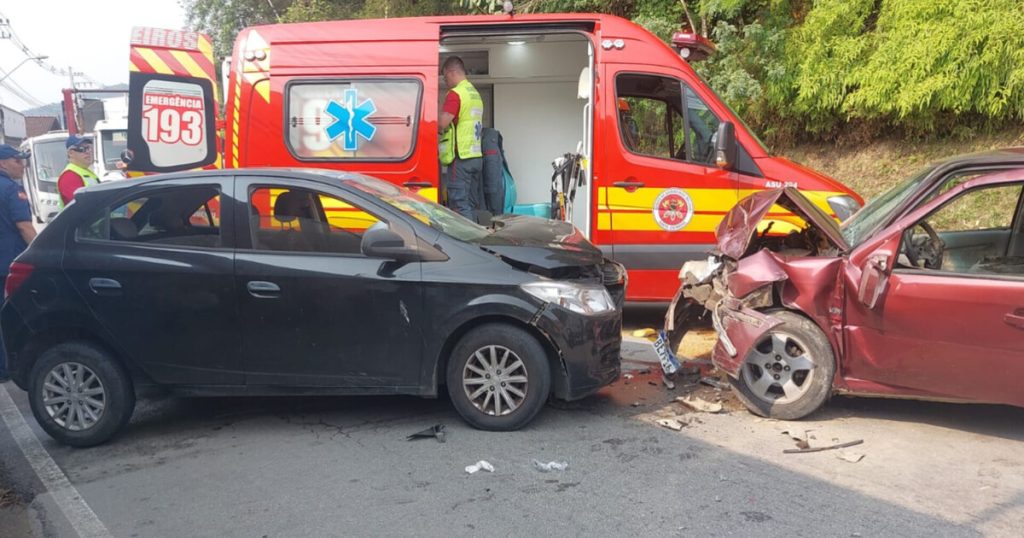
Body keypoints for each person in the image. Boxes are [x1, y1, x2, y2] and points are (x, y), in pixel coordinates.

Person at [0, 144, 38, 382]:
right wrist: (41, 253)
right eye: (17, 161)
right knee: (12, 315)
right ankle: (6, 368)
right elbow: (24, 226)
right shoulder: (12, 190)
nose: (22, 166)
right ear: (2, 163)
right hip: (9, 261)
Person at [438, 56, 484, 220]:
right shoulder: (474, 93)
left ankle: (466, 245)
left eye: (445, 77)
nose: (445, 81)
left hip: (461, 158)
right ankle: (477, 239)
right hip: (476, 157)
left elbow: (443, 123)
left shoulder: (455, 94)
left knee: (459, 206)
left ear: (452, 72)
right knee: (471, 204)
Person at [57, 134, 99, 209]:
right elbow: (81, 206)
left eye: (89, 148)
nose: (88, 152)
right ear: (71, 153)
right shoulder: (69, 176)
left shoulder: (84, 171)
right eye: (83, 149)